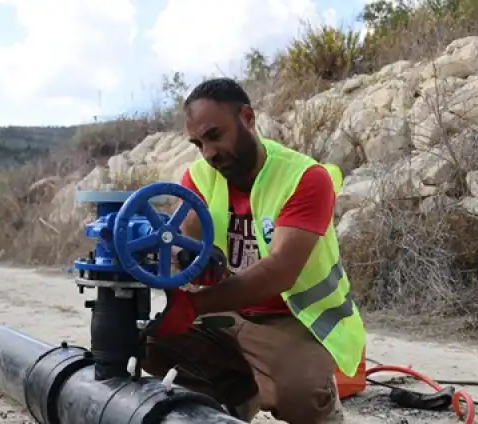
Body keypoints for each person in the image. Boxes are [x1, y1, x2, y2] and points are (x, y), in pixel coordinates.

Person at [142, 77, 366, 424]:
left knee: (300, 394)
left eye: (215, 135)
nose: (209, 153)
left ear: (247, 117)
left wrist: (195, 305)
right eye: (198, 143)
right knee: (153, 347)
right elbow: (186, 249)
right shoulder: (199, 178)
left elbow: (279, 270)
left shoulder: (304, 178)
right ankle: (236, 398)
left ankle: (323, 405)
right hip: (230, 315)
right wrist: (180, 260)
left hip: (294, 319)